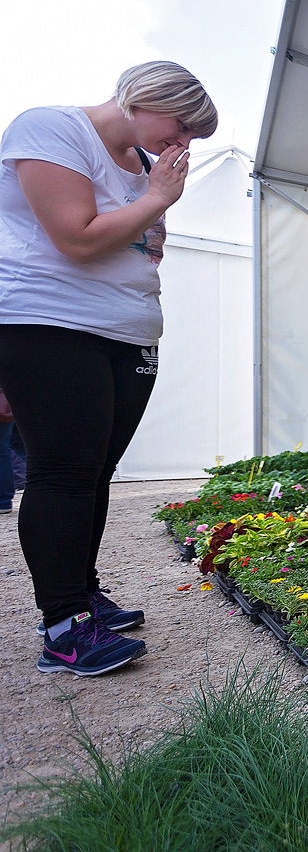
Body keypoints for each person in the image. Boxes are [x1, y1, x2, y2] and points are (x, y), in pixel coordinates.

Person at [0, 61, 218, 676]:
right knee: (64, 472)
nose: (183, 145)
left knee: (95, 473)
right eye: (180, 127)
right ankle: (63, 627)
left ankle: (82, 594)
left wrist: (152, 204)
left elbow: (146, 251)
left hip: (128, 331)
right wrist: (154, 202)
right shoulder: (51, 130)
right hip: (49, 323)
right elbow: (77, 238)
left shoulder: (146, 170)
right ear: (145, 99)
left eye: (194, 138)